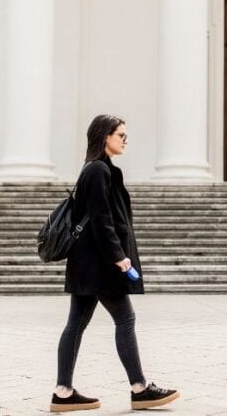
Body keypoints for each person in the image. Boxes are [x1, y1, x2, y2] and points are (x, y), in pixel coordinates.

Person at [51, 114, 180, 412]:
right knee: (125, 319)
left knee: (75, 325)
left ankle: (63, 392)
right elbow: (100, 218)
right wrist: (118, 257)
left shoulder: (97, 169)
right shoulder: (98, 170)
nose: (125, 139)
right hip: (100, 263)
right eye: (120, 134)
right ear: (104, 136)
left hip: (88, 262)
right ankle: (140, 388)